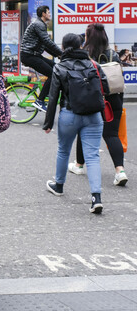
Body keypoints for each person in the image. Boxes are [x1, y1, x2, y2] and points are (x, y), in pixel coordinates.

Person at [43, 33, 108, 214]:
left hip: (69, 114)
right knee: (93, 156)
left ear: (63, 48)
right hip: (94, 115)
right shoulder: (93, 64)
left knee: (64, 150)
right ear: (81, 46)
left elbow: (53, 97)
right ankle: (96, 198)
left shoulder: (60, 67)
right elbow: (107, 88)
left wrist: (48, 123)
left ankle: (59, 185)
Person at [68, 24, 128, 187]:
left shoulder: (85, 55)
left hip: (92, 98)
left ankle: (79, 165)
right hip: (113, 98)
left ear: (89, 37)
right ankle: (120, 171)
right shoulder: (113, 54)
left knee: (84, 130)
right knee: (111, 134)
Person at [20, 5, 62, 112]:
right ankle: (40, 100)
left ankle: (50, 92)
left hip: (34, 55)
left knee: (56, 68)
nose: (49, 14)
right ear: (43, 14)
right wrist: (61, 53)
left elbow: (45, 45)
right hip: (29, 56)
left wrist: (59, 55)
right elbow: (47, 41)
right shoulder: (39, 24)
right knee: (53, 74)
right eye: (48, 12)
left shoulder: (39, 24)